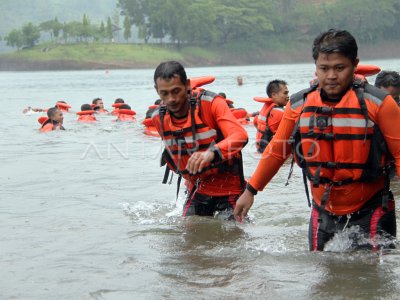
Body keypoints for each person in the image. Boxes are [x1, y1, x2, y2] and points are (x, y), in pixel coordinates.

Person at [234, 29, 400, 251]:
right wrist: (250, 190)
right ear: (316, 67)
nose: (331, 76)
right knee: (322, 280)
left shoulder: (379, 104)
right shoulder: (298, 105)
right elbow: (276, 151)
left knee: (370, 282)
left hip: (372, 209)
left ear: (355, 64)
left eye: (339, 68)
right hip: (322, 211)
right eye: (324, 68)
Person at [151, 61, 248, 217]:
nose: (171, 99)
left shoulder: (211, 103)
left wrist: (210, 153)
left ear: (187, 85)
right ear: (157, 91)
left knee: (233, 234)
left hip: (229, 186)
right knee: (188, 233)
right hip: (198, 187)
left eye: (176, 91)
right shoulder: (158, 118)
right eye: (164, 93)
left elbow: (240, 136)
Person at [253, 80, 289, 153]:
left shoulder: (266, 108)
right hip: (272, 153)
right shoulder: (279, 112)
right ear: (274, 95)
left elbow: (255, 122)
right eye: (285, 93)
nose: (288, 96)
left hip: (261, 150)